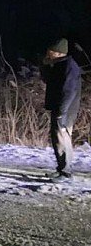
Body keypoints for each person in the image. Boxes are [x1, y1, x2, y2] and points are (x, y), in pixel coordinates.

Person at [40, 38, 82, 181]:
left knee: (62, 137)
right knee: (58, 137)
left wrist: (61, 111)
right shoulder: (59, 65)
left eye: (50, 51)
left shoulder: (69, 66)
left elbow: (69, 91)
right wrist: (45, 65)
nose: (48, 53)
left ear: (58, 53)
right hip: (59, 107)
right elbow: (48, 80)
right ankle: (61, 169)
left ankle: (66, 172)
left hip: (65, 109)